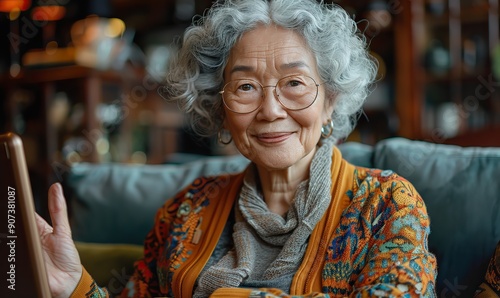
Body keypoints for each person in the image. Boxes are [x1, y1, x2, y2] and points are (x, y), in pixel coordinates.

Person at [36, 0, 438, 297]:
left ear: (330, 98)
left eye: (294, 83)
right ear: (221, 107)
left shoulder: (386, 205)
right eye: (245, 87)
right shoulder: (185, 210)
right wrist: (74, 286)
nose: (270, 109)